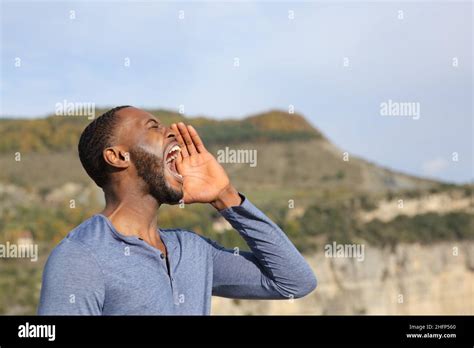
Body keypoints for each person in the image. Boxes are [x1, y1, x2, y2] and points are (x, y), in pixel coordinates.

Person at [38, 106, 317, 315]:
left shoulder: (194, 250)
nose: (171, 130)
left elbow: (293, 282)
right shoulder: (80, 257)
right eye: (153, 127)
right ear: (118, 156)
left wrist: (224, 195)